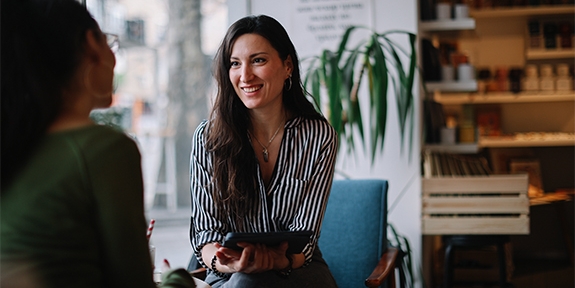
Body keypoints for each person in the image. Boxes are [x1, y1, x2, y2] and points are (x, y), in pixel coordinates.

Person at [0, 1, 195, 287]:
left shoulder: (15, 144)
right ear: (92, 45)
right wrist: (178, 280)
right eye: (110, 43)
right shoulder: (104, 150)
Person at [189, 14, 338, 287]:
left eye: (258, 60)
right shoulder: (208, 138)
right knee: (245, 281)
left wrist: (277, 260)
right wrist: (229, 262)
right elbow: (205, 234)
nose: (245, 76)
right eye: (235, 64)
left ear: (287, 66)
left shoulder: (319, 136)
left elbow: (305, 238)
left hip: (297, 267)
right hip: (228, 272)